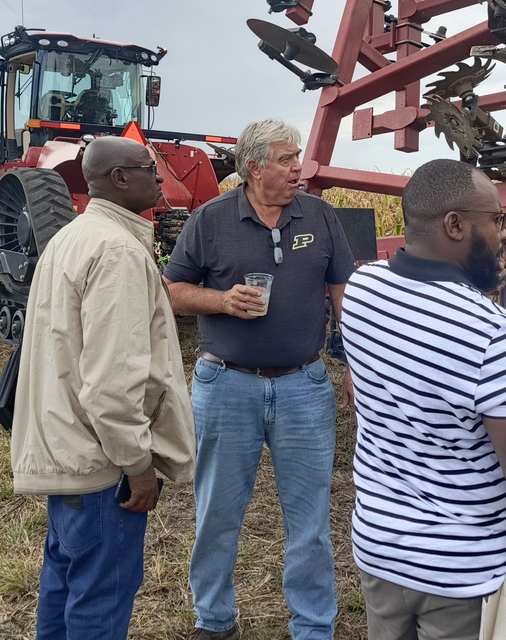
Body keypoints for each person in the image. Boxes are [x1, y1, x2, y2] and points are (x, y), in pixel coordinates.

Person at [340, 158, 506, 640]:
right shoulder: (496, 336)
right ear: (455, 225)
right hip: (462, 577)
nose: (505, 234)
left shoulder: (362, 290)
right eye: (496, 220)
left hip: (379, 550)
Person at [164, 119, 356, 640]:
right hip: (225, 385)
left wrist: (356, 367)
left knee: (311, 520)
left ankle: (314, 626)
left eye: (298, 157)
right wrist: (222, 301)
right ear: (254, 168)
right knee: (217, 514)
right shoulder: (210, 220)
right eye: (287, 159)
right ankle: (214, 619)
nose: (300, 167)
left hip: (304, 386)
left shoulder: (319, 215)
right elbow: (173, 290)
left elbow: (343, 295)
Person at [11, 136, 196, 640]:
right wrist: (138, 467)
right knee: (101, 596)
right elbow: (113, 383)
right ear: (119, 178)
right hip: (101, 466)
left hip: (65, 447)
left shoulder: (72, 237)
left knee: (64, 581)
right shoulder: (117, 252)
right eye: (149, 169)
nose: (160, 179)